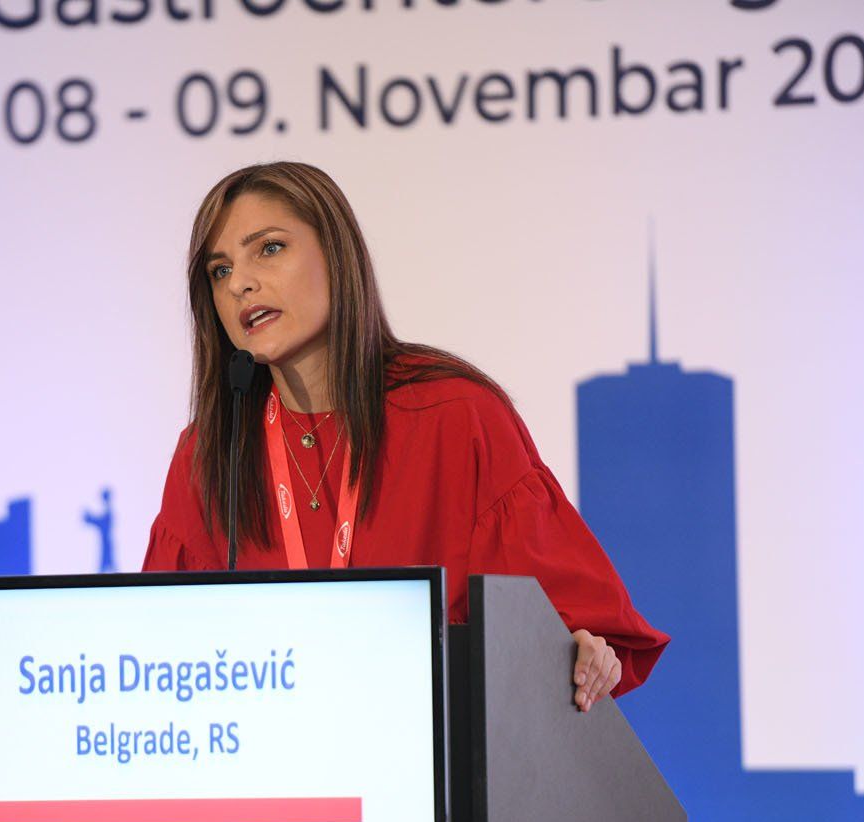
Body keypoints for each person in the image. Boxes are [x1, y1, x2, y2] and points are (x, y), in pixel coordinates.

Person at [142, 162, 667, 709]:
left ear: (336, 255)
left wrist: (582, 652)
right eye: (219, 270)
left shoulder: (455, 417)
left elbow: (571, 627)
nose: (240, 284)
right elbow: (160, 657)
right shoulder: (209, 454)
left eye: (269, 248)